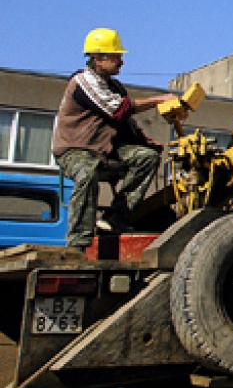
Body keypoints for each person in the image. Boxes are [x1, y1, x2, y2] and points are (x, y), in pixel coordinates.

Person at [53, 28, 175, 249]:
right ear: (98, 58)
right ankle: (78, 240)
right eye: (117, 57)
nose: (122, 62)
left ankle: (116, 218)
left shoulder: (114, 87)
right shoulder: (83, 81)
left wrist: (146, 144)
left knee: (146, 158)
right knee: (86, 173)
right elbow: (118, 110)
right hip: (74, 150)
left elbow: (126, 125)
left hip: (103, 150)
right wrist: (159, 99)